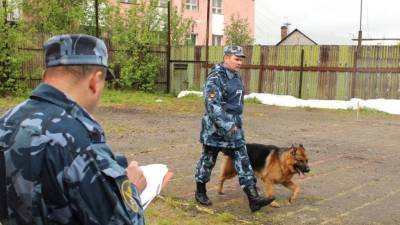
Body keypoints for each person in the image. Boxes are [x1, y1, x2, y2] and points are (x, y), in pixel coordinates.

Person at [0, 34, 147, 225]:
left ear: (45, 77)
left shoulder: (7, 122)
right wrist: (132, 190)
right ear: (95, 80)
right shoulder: (78, 142)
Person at [194, 45, 275, 212]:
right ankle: (200, 191)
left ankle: (253, 198)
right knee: (208, 160)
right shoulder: (215, 78)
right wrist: (226, 123)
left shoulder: (235, 77)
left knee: (243, 159)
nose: (240, 63)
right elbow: (212, 105)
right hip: (215, 129)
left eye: (241, 60)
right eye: (236, 59)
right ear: (226, 58)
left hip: (234, 129)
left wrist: (236, 123)